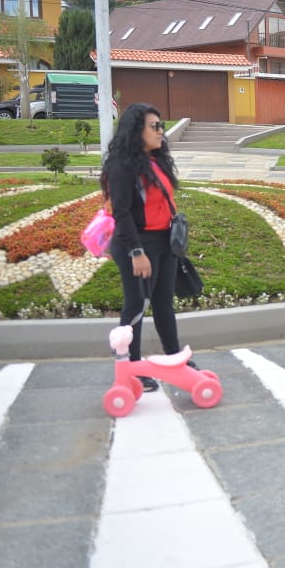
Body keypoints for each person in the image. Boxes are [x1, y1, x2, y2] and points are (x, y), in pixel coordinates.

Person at [101, 103, 191, 392]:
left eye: (161, 125)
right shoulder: (121, 165)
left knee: (164, 303)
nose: (161, 131)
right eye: (155, 126)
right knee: (136, 306)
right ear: (136, 130)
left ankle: (176, 359)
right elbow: (122, 213)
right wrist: (136, 252)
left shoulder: (155, 160)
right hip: (136, 243)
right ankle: (131, 369)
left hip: (164, 242)